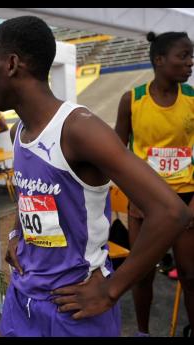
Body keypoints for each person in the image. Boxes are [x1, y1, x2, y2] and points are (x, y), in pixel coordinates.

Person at [0, 16, 192, 337]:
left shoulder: (79, 129)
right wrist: (16, 234)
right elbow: (33, 195)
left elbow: (170, 212)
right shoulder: (17, 131)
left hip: (73, 306)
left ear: (11, 64)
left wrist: (111, 290)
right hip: (23, 298)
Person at [115, 31, 194, 337]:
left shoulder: (191, 100)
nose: (190, 62)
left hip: (185, 197)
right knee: (142, 275)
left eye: (191, 56)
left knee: (189, 275)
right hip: (145, 201)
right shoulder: (132, 101)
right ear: (159, 60)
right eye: (183, 55)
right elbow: (116, 154)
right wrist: (133, 196)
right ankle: (143, 333)